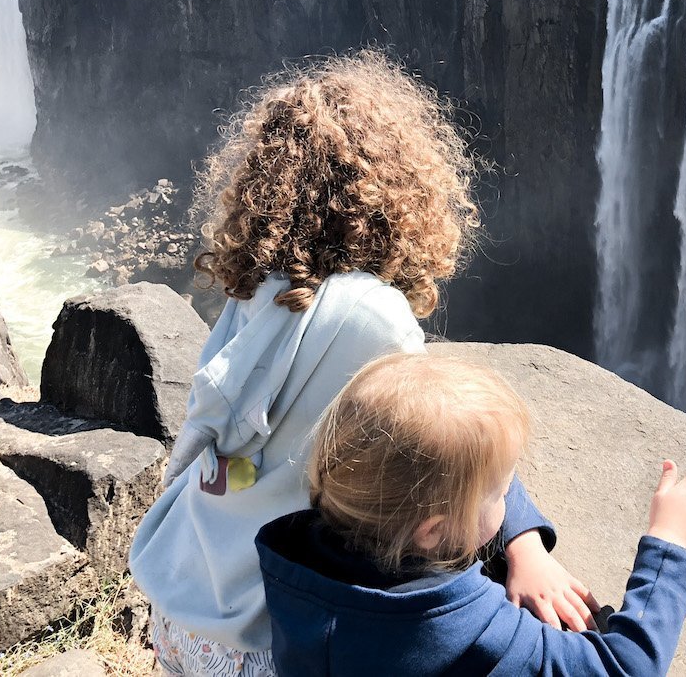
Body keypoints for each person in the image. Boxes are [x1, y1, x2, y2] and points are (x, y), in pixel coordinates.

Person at [129, 52, 595, 677]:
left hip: (182, 605)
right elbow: (442, 454)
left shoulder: (262, 287)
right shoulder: (373, 317)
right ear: (400, 189)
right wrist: (525, 545)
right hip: (266, 635)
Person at [256, 352, 686, 676]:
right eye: (501, 492)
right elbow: (626, 668)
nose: (511, 495)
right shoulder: (463, 628)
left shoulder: (305, 544)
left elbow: (449, 479)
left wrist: (524, 543)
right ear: (434, 531)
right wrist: (669, 541)